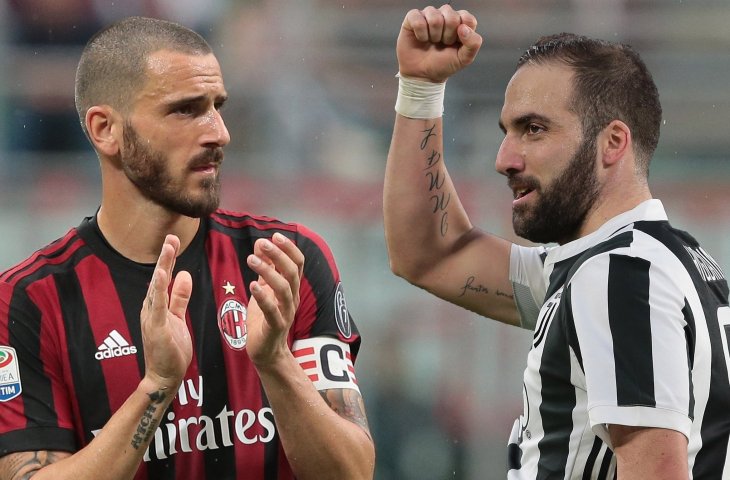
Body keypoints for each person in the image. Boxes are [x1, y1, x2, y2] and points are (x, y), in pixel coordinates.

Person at [0, 16, 375, 480]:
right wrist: (156, 386)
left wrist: (275, 363)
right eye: (186, 110)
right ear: (105, 130)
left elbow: (352, 473)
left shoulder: (284, 260)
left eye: (217, 106)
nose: (219, 132)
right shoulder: (29, 300)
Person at [384, 4, 729, 479]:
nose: (505, 158)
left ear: (613, 143)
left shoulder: (619, 277)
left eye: (534, 129)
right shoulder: (656, 263)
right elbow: (428, 255)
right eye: (507, 132)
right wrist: (421, 90)